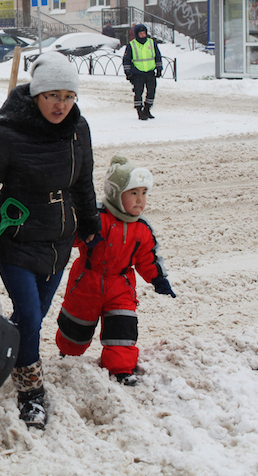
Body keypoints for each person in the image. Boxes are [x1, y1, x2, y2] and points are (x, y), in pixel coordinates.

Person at [0, 52, 101, 429]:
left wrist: (89, 222)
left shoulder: (78, 128)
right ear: (37, 94)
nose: (61, 104)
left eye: (68, 96)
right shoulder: (9, 131)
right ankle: (31, 392)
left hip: (59, 240)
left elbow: (83, 180)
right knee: (33, 317)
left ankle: (1, 348)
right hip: (16, 236)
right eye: (53, 95)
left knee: (29, 315)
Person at [55, 155, 176, 387]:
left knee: (122, 328)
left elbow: (148, 257)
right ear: (115, 193)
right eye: (133, 193)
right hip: (86, 281)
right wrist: (82, 234)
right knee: (76, 326)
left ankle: (121, 369)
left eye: (144, 193)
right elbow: (69, 236)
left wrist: (158, 278)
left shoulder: (141, 228)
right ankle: (68, 356)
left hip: (121, 285)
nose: (140, 200)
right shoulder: (96, 216)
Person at [122, 23, 162, 120]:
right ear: (137, 34)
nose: (143, 35)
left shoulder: (151, 43)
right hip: (137, 73)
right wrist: (128, 72)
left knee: (151, 92)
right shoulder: (132, 45)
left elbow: (157, 56)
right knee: (138, 92)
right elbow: (126, 60)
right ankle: (139, 111)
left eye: (144, 33)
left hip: (150, 72)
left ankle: (147, 110)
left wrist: (159, 68)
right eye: (141, 33)